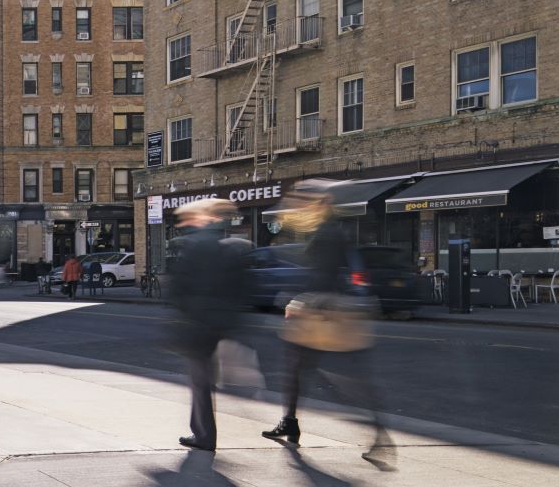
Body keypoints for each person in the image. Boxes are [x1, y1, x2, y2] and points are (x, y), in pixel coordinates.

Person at [261, 181, 393, 467]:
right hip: (328, 310)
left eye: (305, 201)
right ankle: (291, 422)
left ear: (321, 203)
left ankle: (379, 435)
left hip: (324, 313)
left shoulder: (327, 232)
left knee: (339, 377)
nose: (299, 207)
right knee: (300, 369)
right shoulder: (328, 229)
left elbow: (323, 275)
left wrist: (300, 302)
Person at [168, 198, 251, 453]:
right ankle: (202, 432)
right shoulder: (228, 246)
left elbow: (180, 286)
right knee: (204, 380)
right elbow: (240, 286)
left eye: (184, 219)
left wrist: (180, 311)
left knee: (201, 381)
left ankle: (204, 435)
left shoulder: (194, 245)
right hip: (219, 321)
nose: (182, 224)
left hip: (198, 322)